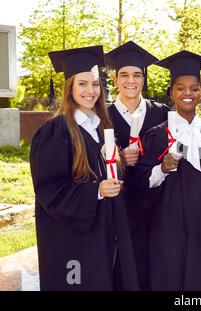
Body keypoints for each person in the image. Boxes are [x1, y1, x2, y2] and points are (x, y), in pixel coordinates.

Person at [30, 46, 139, 290]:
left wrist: (120, 161)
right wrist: (97, 190)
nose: (91, 91)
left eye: (95, 84)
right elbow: (51, 191)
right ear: (69, 87)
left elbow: (101, 171)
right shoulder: (55, 131)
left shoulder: (99, 128)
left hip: (101, 234)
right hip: (72, 242)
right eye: (82, 84)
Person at [131, 50, 201, 290]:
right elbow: (140, 184)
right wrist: (161, 169)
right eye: (181, 88)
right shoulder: (156, 135)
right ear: (171, 92)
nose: (188, 93)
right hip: (167, 229)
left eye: (194, 88)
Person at [105, 41, 169, 290]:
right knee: (122, 268)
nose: (130, 80)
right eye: (124, 75)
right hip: (119, 205)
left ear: (144, 79)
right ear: (116, 80)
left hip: (156, 205)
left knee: (154, 266)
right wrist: (119, 158)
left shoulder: (162, 113)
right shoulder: (102, 116)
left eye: (137, 75)